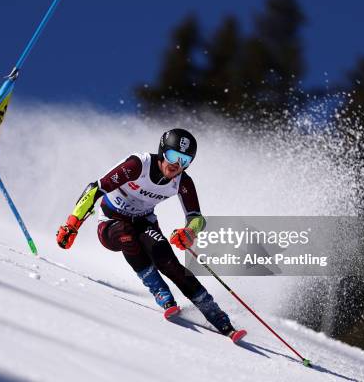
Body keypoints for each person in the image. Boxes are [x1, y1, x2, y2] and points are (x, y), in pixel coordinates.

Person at [56, 128, 236, 336]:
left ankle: (217, 316)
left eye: (184, 160)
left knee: (167, 260)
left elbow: (197, 218)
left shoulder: (183, 182)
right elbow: (95, 188)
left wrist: (189, 232)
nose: (177, 164)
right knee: (126, 233)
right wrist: (73, 223)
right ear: (162, 152)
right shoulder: (137, 165)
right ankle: (159, 290)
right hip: (111, 222)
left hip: (143, 222)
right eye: (173, 156)